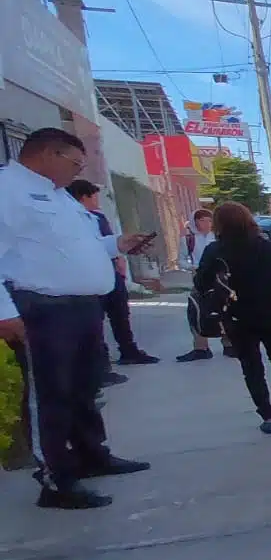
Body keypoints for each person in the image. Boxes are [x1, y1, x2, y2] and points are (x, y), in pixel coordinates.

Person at [0, 127, 154, 510]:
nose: (78, 171)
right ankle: (56, 479)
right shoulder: (8, 190)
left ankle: (90, 454)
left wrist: (117, 244)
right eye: (75, 163)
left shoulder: (61, 198)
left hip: (82, 308)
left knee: (85, 388)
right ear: (48, 154)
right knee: (51, 395)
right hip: (43, 309)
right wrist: (4, 313)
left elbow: (78, 246)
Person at [194, 202, 271, 434]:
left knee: (251, 366)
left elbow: (201, 283)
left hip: (237, 317)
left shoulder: (215, 250)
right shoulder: (270, 248)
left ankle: (267, 414)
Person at [66, 180, 160, 384]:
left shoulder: (97, 217)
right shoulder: (70, 218)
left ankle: (129, 350)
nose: (97, 200)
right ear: (84, 197)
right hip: (89, 276)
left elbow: (108, 242)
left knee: (120, 314)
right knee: (94, 322)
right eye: (94, 196)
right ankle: (100, 366)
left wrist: (121, 254)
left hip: (110, 271)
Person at [178, 208, 233, 362]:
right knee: (197, 310)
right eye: (202, 220)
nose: (206, 224)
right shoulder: (188, 240)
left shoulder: (218, 238)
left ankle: (229, 344)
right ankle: (201, 347)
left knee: (225, 309)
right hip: (200, 277)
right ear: (195, 222)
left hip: (220, 278)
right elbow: (181, 260)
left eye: (209, 220)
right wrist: (194, 267)